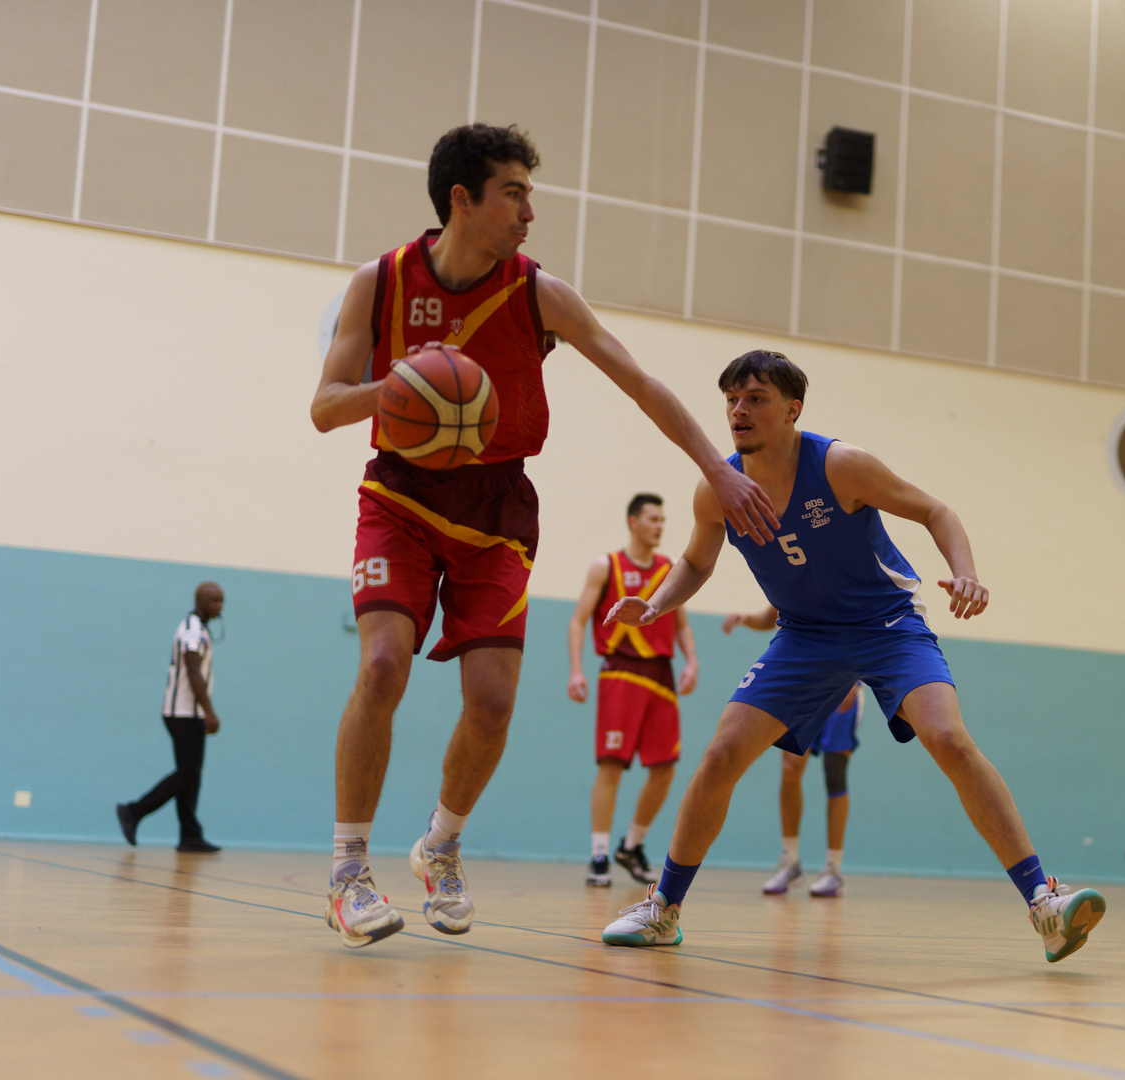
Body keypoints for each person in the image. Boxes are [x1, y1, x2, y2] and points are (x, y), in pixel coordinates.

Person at [308, 124, 777, 949]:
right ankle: (348, 872)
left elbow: (640, 381)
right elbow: (324, 407)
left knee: (492, 703)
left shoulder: (539, 294)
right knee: (382, 665)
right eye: (515, 194)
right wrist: (404, 385)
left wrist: (720, 467)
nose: (531, 212)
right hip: (402, 493)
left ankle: (440, 846)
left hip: (498, 508)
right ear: (463, 199)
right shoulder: (380, 282)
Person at [600, 351, 1105, 963]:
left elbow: (935, 511)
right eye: (731, 399)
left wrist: (966, 572)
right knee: (722, 753)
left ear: (793, 409)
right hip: (804, 636)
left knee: (949, 739)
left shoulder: (840, 466)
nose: (738, 411)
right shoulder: (718, 489)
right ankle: (663, 909)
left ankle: (1044, 903)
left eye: (756, 398)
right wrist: (655, 605)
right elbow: (696, 561)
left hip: (886, 625)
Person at [567, 493, 698, 887]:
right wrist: (576, 670)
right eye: (653, 519)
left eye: (663, 519)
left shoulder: (669, 569)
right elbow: (577, 621)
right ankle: (599, 854)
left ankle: (632, 845)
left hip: (661, 675)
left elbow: (681, 623)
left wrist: (692, 660)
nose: (660, 526)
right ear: (634, 522)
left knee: (665, 768)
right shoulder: (605, 566)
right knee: (611, 764)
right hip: (620, 672)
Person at [725, 604, 856, 897]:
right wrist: (746, 618)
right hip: (802, 680)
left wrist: (856, 676)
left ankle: (833, 868)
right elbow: (770, 615)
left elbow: (864, 619)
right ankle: (790, 860)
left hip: (843, 674)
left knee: (835, 771)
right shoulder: (793, 577)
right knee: (790, 768)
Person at [116, 582, 226, 854]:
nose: (220, 606)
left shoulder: (200, 628)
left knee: (191, 775)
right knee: (188, 772)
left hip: (189, 713)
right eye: (214, 600)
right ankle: (133, 811)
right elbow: (193, 672)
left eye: (222, 601)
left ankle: (190, 836)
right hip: (183, 713)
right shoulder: (191, 630)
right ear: (200, 600)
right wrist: (209, 711)